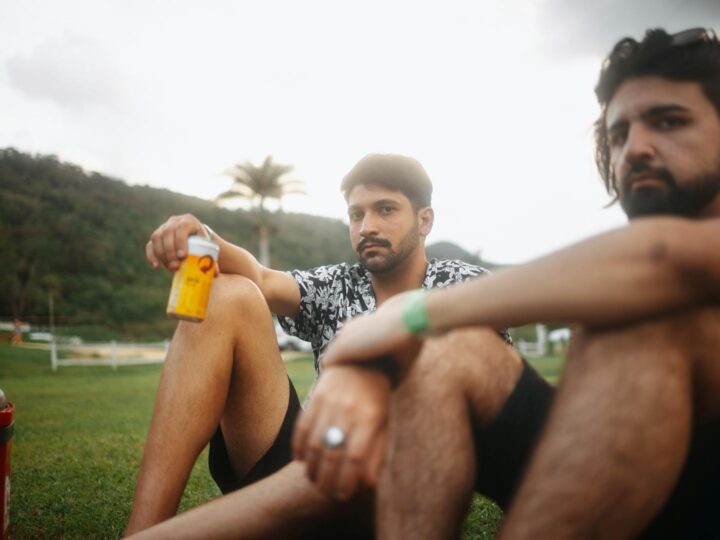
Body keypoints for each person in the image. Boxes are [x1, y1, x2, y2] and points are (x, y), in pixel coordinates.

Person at [295, 28, 720, 539]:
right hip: (627, 480)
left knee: (644, 318)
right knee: (448, 351)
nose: (635, 149)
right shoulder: (339, 281)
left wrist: (403, 317)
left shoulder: (660, 267)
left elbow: (663, 259)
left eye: (670, 121)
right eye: (618, 135)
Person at [125, 153, 512, 537]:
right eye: (356, 215)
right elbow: (262, 278)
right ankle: (140, 530)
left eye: (386, 209)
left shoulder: (463, 285)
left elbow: (488, 399)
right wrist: (204, 236)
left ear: (424, 220)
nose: (367, 227)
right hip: (304, 464)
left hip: (392, 488)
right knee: (229, 294)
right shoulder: (338, 284)